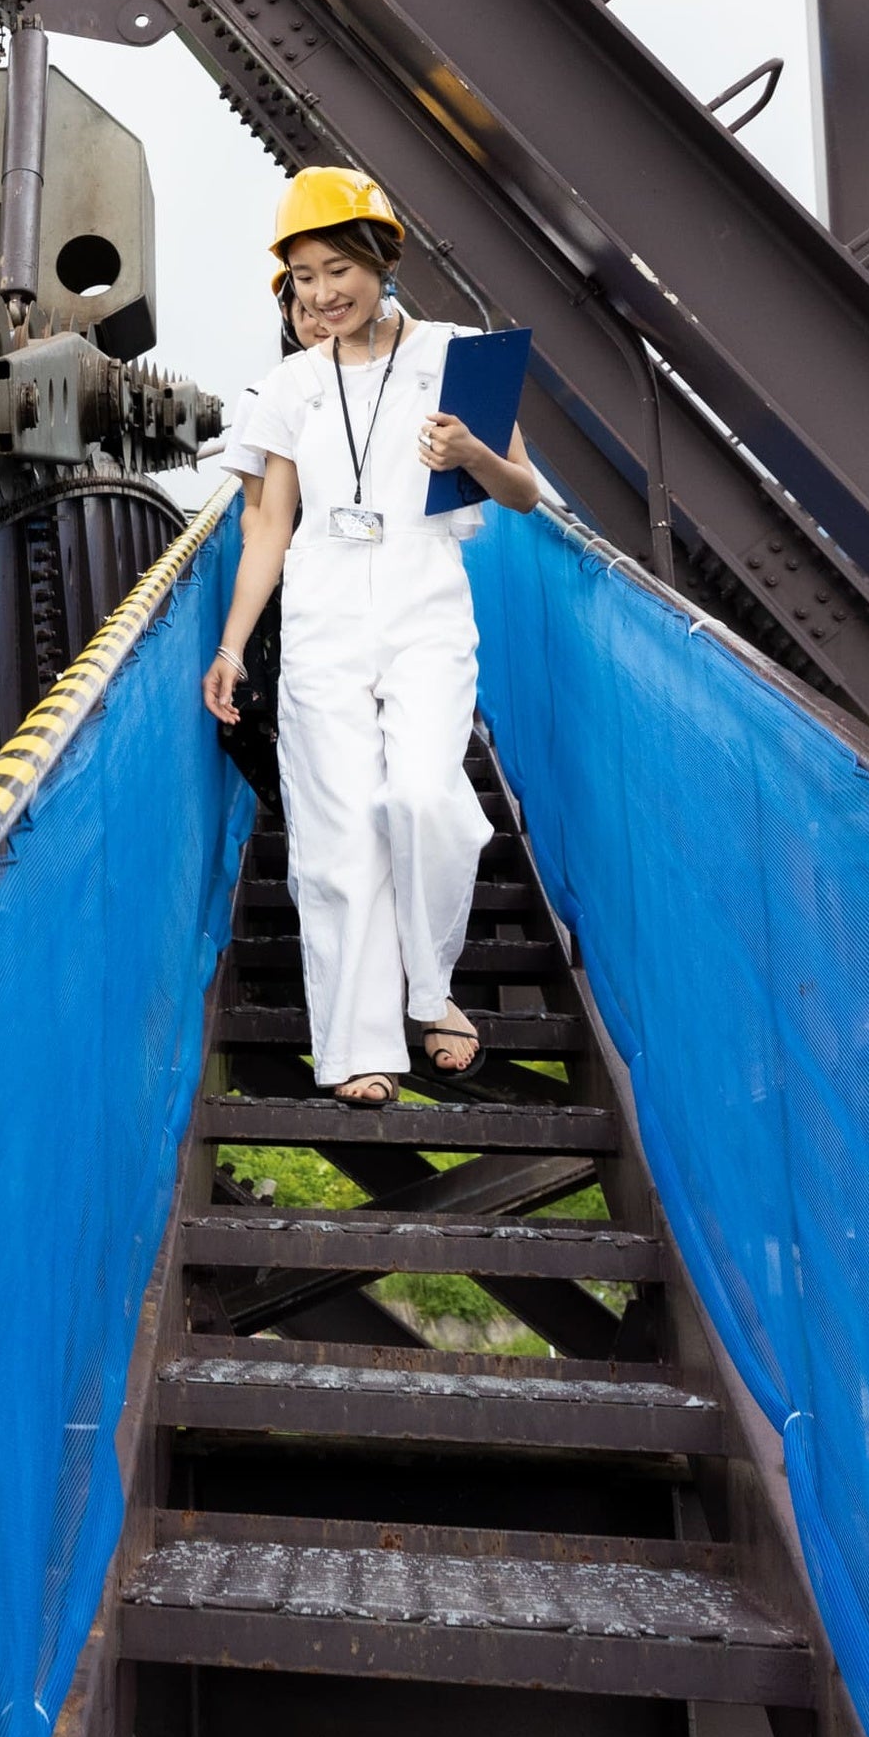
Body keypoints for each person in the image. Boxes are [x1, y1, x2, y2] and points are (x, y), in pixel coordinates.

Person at [200, 169, 539, 1107]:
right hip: (321, 614)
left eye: (338, 267)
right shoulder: (289, 385)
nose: (322, 292)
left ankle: (431, 990)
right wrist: (232, 647)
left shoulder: (457, 354)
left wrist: (471, 453)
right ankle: (358, 1044)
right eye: (303, 275)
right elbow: (268, 526)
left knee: (426, 796)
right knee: (340, 831)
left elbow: (523, 492)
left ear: (386, 260)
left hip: (427, 599)